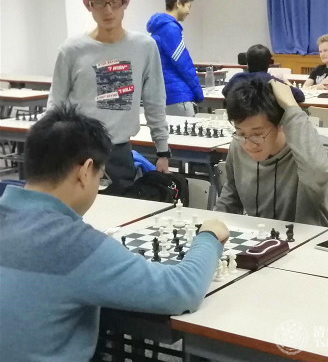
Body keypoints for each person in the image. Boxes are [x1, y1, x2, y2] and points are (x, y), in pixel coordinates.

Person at [0, 105, 229, 362]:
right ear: (85, 171)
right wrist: (209, 237)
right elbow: (182, 290)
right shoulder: (74, 244)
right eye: (100, 177)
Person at [47, 0, 170, 196]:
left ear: (126, 2)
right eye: (100, 3)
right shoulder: (71, 50)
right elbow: (56, 104)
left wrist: (162, 151)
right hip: (77, 152)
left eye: (115, 2)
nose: (109, 10)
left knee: (121, 213)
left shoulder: (144, 47)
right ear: (88, 4)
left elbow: (154, 100)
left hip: (119, 153)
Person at [215, 76, 328, 228]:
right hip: (260, 237)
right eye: (241, 133)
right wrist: (213, 227)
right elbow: (231, 195)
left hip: (308, 238)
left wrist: (291, 107)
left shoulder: (316, 148)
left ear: (281, 123)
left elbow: (317, 172)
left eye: (257, 134)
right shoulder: (238, 146)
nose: (248, 144)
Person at [147, 0, 203, 117]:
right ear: (178, 3)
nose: (189, 12)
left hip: (165, 95)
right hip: (178, 96)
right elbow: (184, 64)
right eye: (188, 6)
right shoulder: (170, 29)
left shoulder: (158, 29)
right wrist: (198, 93)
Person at [222, 44, 305, 103]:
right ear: (269, 64)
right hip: (268, 121)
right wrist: (287, 82)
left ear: (247, 62)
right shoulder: (273, 82)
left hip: (241, 120)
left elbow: (225, 92)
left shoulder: (237, 78)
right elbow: (299, 96)